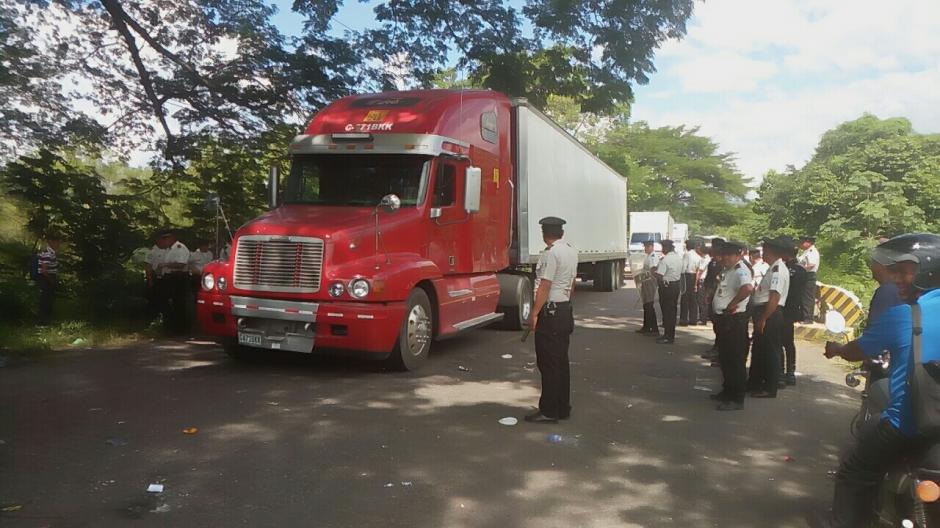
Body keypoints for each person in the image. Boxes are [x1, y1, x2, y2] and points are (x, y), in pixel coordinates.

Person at [817, 233, 940, 528]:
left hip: (909, 424)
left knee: (854, 470)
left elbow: (856, 350)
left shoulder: (903, 315)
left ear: (928, 270)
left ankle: (844, 523)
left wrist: (836, 350)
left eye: (903, 271)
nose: (896, 278)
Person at [525, 217, 578, 424]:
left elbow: (545, 285)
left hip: (551, 312)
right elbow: (572, 284)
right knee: (561, 361)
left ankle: (548, 410)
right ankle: (562, 406)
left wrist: (535, 313)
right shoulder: (571, 251)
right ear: (561, 233)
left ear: (544, 234)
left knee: (548, 363)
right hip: (564, 309)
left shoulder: (551, 253)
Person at [709, 241, 753, 410]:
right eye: (724, 254)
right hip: (724, 321)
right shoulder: (728, 270)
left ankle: (736, 398)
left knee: (735, 360)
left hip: (734, 320)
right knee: (725, 359)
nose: (726, 257)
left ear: (738, 255)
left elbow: (748, 288)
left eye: (730, 255)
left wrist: (732, 304)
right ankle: (727, 391)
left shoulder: (740, 270)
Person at [746, 237, 791, 398]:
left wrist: (764, 318)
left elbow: (774, 297)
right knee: (759, 350)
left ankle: (769, 387)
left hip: (770, 313)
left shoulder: (778, 269)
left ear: (771, 251)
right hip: (765, 311)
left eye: (764, 250)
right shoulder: (772, 268)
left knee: (770, 351)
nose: (762, 253)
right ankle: (755, 383)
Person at [780, 238, 805, 387]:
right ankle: (790, 372)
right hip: (793, 310)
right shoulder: (802, 270)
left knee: (779, 342)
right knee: (789, 342)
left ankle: (781, 371)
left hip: (783, 308)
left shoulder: (783, 269)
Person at [652, 239, 681, 344]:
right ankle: (669, 334)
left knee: (667, 312)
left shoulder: (666, 260)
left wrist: (653, 272)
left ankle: (668, 336)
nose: (662, 250)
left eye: (663, 248)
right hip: (675, 285)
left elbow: (660, 275)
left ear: (666, 248)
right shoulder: (678, 258)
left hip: (666, 286)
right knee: (672, 311)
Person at [636, 240, 660, 336]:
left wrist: (643, 277)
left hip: (650, 282)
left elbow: (653, 271)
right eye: (644, 246)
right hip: (645, 282)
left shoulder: (653, 257)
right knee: (646, 305)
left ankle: (654, 329)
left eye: (646, 246)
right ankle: (646, 326)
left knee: (649, 305)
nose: (645, 248)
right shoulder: (648, 256)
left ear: (651, 247)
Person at [36, 235, 61, 325]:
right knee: (46, 299)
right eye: (57, 241)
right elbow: (44, 270)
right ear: (51, 242)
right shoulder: (48, 253)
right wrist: (51, 280)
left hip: (48, 278)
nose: (58, 244)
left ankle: (46, 319)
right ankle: (43, 321)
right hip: (46, 279)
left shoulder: (51, 253)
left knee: (48, 299)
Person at [679, 239, 702, 326]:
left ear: (688, 246)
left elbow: (684, 267)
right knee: (693, 299)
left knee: (684, 297)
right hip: (694, 275)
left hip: (687, 276)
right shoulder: (697, 255)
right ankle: (693, 319)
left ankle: (684, 319)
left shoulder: (687, 254)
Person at [798, 236, 820, 323]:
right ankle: (802, 316)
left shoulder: (812, 251)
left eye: (802, 241)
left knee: (807, 297)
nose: (801, 243)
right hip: (803, 275)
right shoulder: (805, 252)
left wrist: (801, 269)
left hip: (809, 275)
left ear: (808, 242)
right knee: (802, 297)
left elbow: (811, 265)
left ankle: (808, 318)